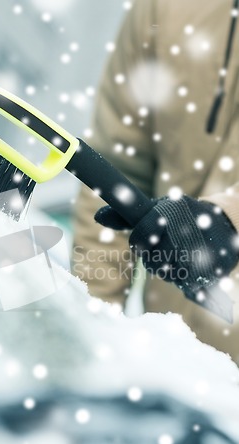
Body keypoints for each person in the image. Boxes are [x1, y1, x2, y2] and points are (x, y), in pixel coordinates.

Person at [72, 0, 239, 363]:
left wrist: (230, 219)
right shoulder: (163, 9)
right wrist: (92, 326)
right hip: (171, 359)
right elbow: (116, 171)